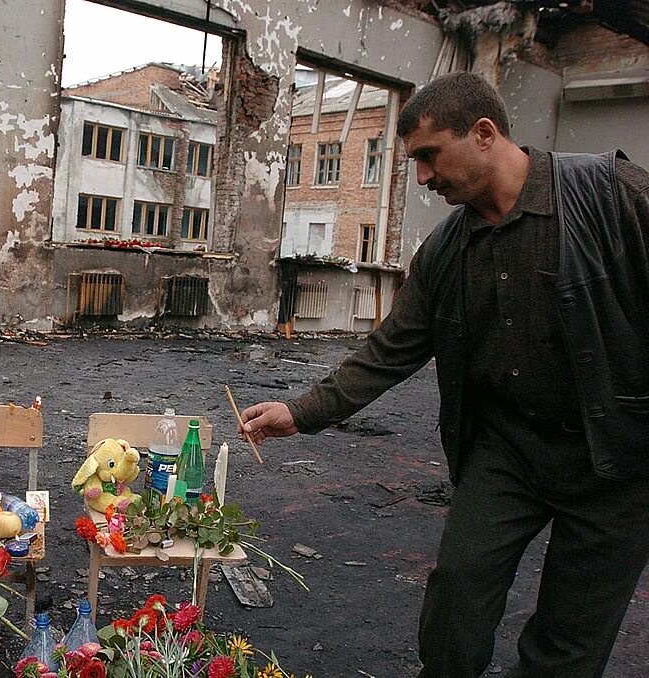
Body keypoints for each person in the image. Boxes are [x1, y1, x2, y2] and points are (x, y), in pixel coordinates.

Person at [241, 72, 649, 677]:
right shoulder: (444, 252)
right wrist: (300, 412)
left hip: (616, 461)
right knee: (456, 602)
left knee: (570, 642)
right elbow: (389, 352)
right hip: (507, 455)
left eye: (429, 156)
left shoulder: (610, 196)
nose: (424, 178)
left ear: (484, 134)